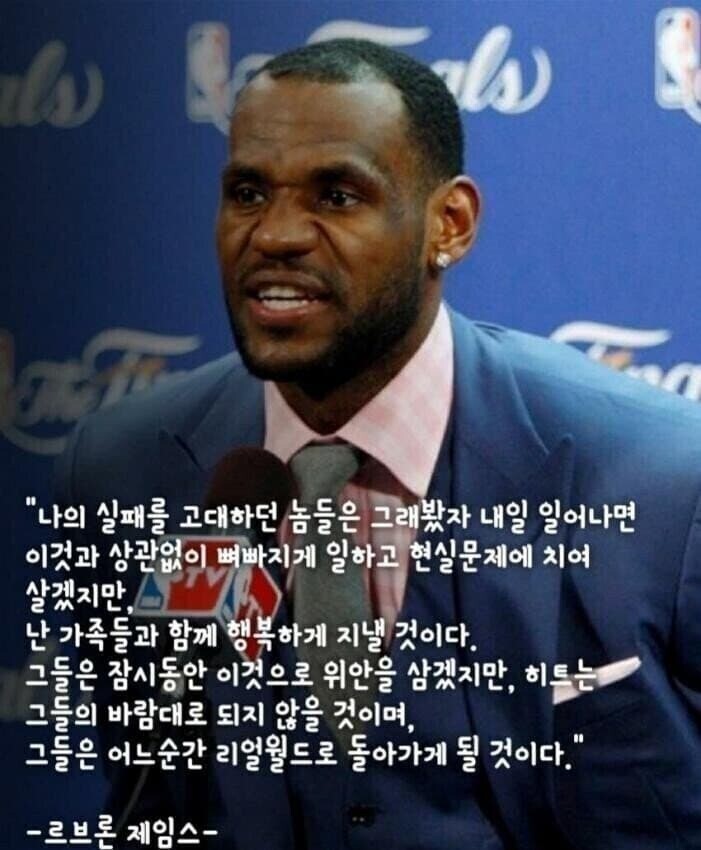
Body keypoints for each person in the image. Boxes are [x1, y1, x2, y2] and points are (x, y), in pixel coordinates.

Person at [56, 39, 701, 850]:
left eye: (337, 195)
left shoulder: (661, 479)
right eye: (248, 193)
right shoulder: (124, 471)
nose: (275, 235)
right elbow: (149, 799)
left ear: (448, 224)